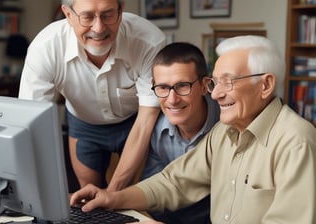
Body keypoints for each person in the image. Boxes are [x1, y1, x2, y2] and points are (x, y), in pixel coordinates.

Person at [69, 35, 316, 223]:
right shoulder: (223, 133)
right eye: (215, 83)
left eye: (227, 82)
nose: (217, 94)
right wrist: (111, 197)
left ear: (266, 85)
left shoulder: (296, 141)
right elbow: (174, 183)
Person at [18, 0, 166, 189]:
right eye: (87, 17)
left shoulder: (148, 41)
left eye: (108, 15)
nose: (98, 28)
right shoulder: (45, 48)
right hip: (83, 123)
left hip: (136, 121)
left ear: (121, 11)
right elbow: (32, 126)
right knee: (88, 198)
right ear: (68, 15)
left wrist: (112, 194)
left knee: (133, 195)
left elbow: (146, 120)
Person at [140, 42, 219, 223]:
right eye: (163, 87)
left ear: (204, 85)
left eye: (182, 86)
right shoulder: (156, 130)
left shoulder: (228, 125)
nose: (172, 99)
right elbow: (154, 195)